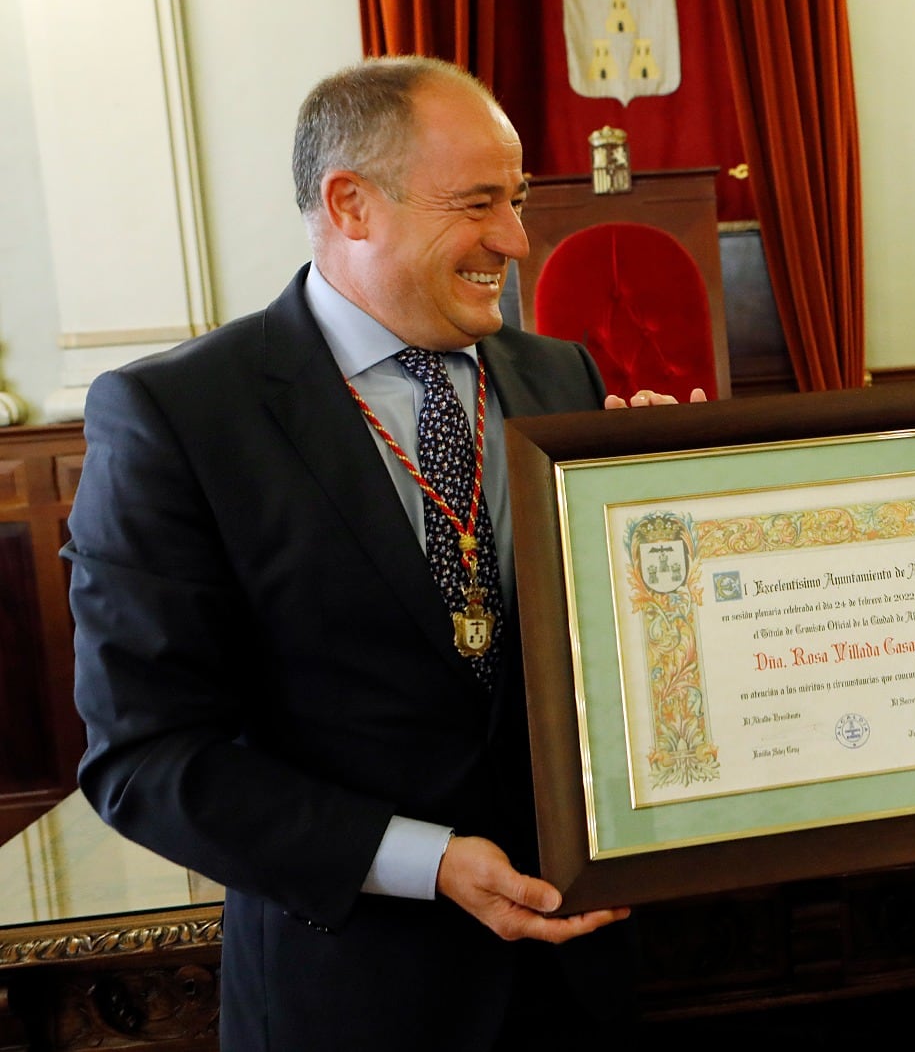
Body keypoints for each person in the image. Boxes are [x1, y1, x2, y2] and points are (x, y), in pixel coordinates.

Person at [66, 56, 701, 1050]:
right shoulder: (181, 417)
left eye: (519, 199)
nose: (518, 240)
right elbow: (148, 758)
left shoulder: (559, 375)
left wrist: (679, 520)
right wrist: (427, 859)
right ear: (352, 204)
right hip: (355, 994)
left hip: (584, 981)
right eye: (480, 202)